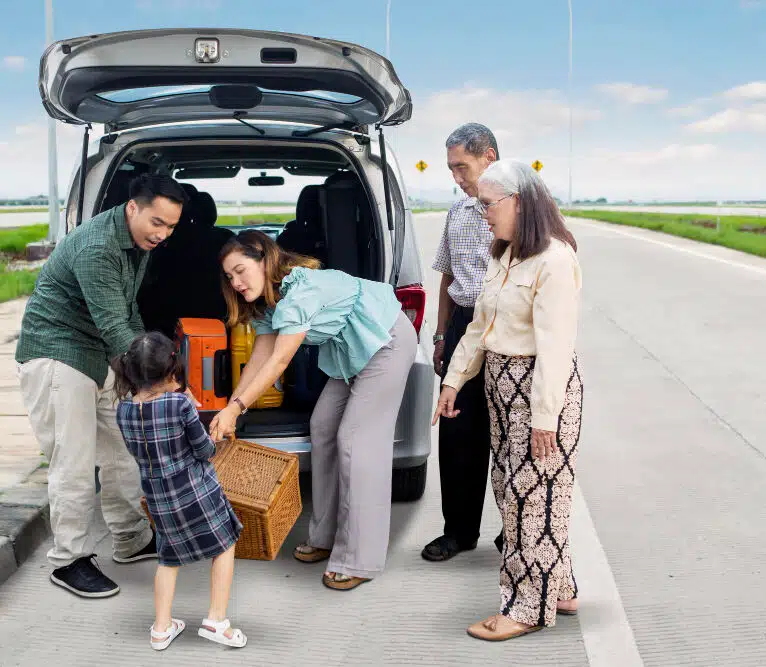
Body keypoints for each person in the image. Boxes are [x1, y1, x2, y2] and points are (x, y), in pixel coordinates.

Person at [209, 230, 417, 591]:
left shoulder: (300, 293)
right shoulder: (270, 302)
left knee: (356, 441)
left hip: (385, 342)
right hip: (348, 352)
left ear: (264, 259)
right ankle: (324, 536)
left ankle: (359, 558)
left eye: (241, 270)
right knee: (321, 427)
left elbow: (279, 362)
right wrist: (232, 409)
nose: (236, 282)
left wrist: (236, 408)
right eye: (229, 277)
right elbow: (260, 357)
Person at [15, 173, 188, 597]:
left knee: (124, 448)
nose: (163, 235)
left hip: (100, 356)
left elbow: (126, 312)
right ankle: (67, 560)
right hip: (59, 353)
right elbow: (114, 326)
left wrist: (149, 376)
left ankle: (130, 538)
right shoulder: (98, 247)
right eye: (157, 223)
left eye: (171, 227)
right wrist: (159, 381)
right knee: (73, 462)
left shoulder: (137, 241)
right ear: (133, 208)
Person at [434, 160, 584, 641]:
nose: (483, 215)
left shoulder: (554, 260)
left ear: (518, 201)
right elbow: (480, 326)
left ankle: (525, 607)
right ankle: (558, 587)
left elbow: (556, 349)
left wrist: (545, 420)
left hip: (538, 392)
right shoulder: (508, 254)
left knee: (530, 500)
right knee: (513, 488)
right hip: (503, 389)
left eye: (488, 205)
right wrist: (454, 381)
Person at [112, 332, 247, 651]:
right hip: (197, 492)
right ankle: (216, 620)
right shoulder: (179, 403)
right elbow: (203, 451)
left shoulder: (123, 410)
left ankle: (161, 628)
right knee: (224, 546)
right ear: (171, 372)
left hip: (159, 499)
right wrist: (210, 437)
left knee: (167, 559)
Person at [421, 123, 500, 563]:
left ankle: (516, 530)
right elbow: (447, 276)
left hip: (506, 331)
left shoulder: (521, 211)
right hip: (461, 327)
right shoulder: (457, 213)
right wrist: (439, 334)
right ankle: (460, 532)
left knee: (510, 435)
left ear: (488, 157)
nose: (456, 178)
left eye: (461, 167)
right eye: (450, 168)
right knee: (456, 433)